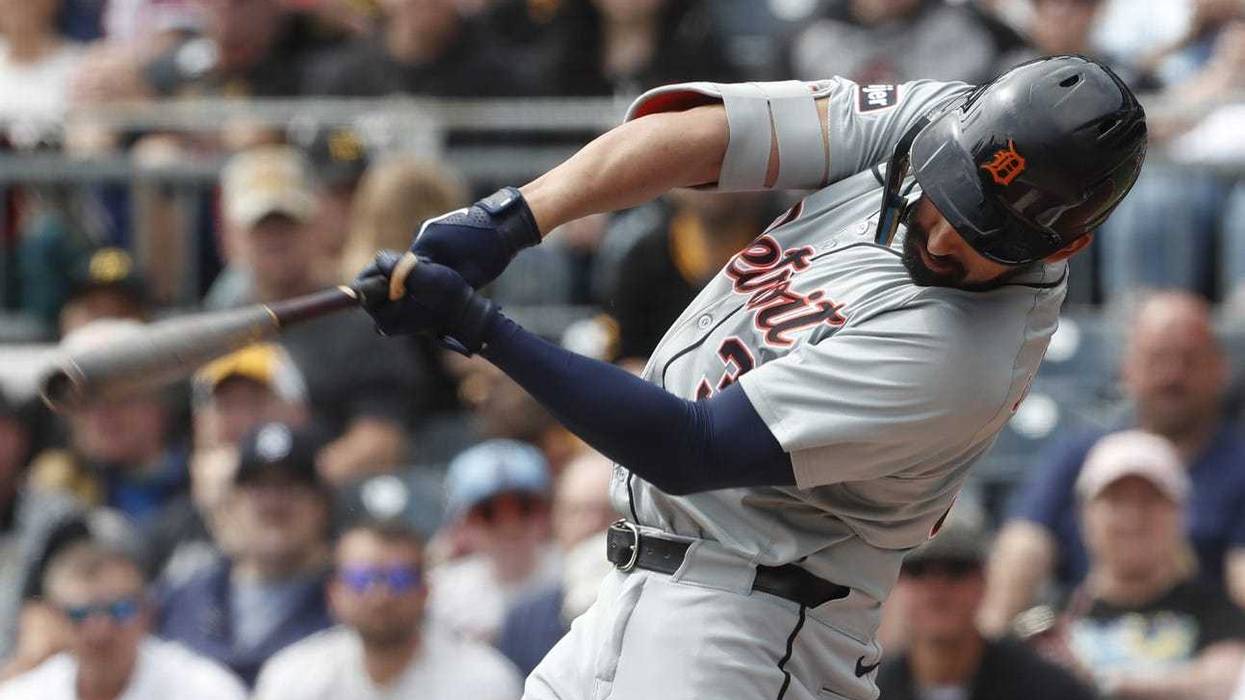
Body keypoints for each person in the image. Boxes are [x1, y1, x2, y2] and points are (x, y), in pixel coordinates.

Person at [356, 54, 1147, 699]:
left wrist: (476, 326)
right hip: (640, 589)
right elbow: (708, 135)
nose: (940, 232)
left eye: (983, 230)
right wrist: (513, 218)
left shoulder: (965, 355)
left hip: (748, 626)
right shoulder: (938, 117)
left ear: (1060, 248)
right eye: (950, 192)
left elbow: (689, 449)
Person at [982, 291, 1245, 634]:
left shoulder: (1238, 464)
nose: (1172, 376)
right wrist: (993, 636)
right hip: (1084, 628)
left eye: (1189, 360)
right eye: (1157, 359)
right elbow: (1025, 539)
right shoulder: (1079, 453)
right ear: (1128, 367)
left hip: (1203, 638)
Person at [206, 145, 426, 486]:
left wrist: (293, 485)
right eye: (261, 225)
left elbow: (382, 440)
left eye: (288, 222)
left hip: (334, 498)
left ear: (317, 224)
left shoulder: (359, 316)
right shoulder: (218, 325)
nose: (275, 238)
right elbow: (206, 437)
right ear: (229, 235)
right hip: (240, 499)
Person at [1053, 430, 1245, 699]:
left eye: (1151, 500)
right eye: (1116, 499)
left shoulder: (1217, 611)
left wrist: (1106, 683)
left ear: (1182, 514)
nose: (1133, 517)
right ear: (1084, 514)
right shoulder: (1051, 618)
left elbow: (1229, 681)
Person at [253, 519, 522, 699]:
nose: (381, 596)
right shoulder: (292, 678)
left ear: (425, 590)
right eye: (362, 580)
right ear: (334, 592)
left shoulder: (485, 682)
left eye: (399, 579)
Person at [157, 422, 334, 686]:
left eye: (291, 487)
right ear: (231, 504)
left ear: (321, 505)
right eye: (258, 489)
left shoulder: (354, 601)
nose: (273, 505)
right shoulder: (182, 597)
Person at [875, 518, 1096, 700]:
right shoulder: (865, 688)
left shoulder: (1049, 689)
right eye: (917, 571)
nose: (937, 589)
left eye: (957, 570)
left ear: (984, 581)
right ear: (895, 584)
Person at [0, 539, 246, 700]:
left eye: (120, 610)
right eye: (79, 615)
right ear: (53, 619)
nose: (101, 630)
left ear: (148, 613)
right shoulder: (24, 694)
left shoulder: (205, 691)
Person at [426, 439, 560, 643]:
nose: (510, 526)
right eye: (488, 513)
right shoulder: (442, 595)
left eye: (525, 508)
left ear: (547, 513)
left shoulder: (574, 576)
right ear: (461, 524)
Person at [497, 449, 616, 676]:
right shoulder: (526, 619)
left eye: (610, 511)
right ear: (557, 520)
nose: (594, 525)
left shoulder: (659, 607)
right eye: (578, 511)